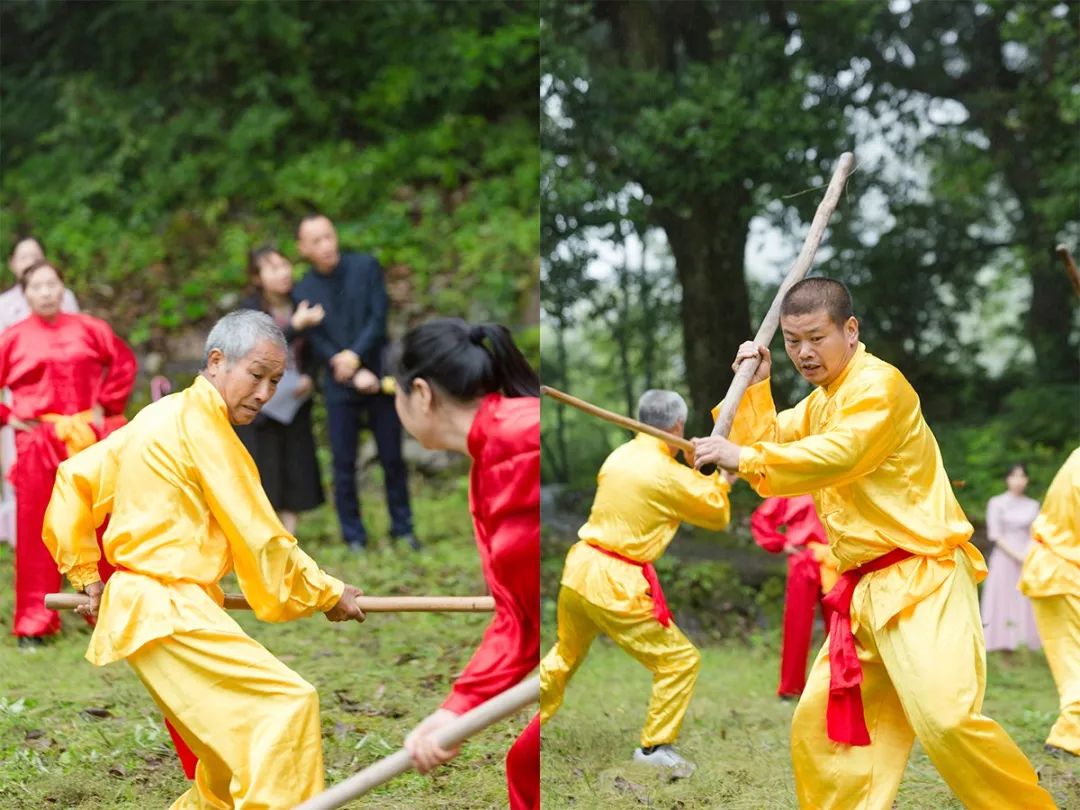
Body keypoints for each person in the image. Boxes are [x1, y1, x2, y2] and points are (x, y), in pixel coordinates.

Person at [690, 278, 1054, 809]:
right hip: (862, 592)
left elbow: (839, 454)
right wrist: (756, 386)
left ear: (850, 329)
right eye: (793, 341)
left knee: (947, 722)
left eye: (816, 337)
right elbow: (765, 445)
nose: (804, 353)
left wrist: (742, 457)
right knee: (825, 724)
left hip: (922, 578)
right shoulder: (820, 404)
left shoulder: (881, 386)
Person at [42, 310, 367, 808]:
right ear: (217, 361)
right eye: (256, 375)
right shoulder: (205, 428)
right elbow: (262, 539)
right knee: (285, 707)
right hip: (167, 610)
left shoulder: (160, 413)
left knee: (225, 758)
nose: (264, 393)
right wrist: (327, 592)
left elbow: (74, 480)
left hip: (165, 607)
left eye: (275, 381)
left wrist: (88, 577)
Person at [540, 389, 733, 777]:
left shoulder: (620, 456)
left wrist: (692, 465)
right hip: (616, 583)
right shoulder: (666, 473)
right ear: (677, 426)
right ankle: (654, 748)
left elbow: (670, 490)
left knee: (565, 654)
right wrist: (723, 474)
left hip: (580, 568)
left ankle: (518, 715)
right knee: (679, 660)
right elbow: (716, 514)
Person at [394, 319, 539, 810]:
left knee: (533, 765)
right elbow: (518, 617)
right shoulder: (490, 461)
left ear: (420, 392)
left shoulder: (522, 436)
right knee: (528, 763)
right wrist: (455, 710)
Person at [0, 260, 135, 647]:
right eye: (36, 286)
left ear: (62, 288)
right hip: (39, 441)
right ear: (24, 294)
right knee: (35, 530)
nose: (45, 292)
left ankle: (112, 609)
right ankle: (33, 623)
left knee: (102, 523)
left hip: (88, 437)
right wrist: (9, 414)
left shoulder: (90, 329)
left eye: (51, 284)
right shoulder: (12, 337)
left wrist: (107, 408)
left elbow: (123, 362)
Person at [294, 213, 417, 551]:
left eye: (329, 236)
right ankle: (354, 536)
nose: (326, 245)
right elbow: (313, 338)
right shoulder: (303, 289)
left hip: (378, 375)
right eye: (316, 241)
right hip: (338, 383)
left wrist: (355, 357)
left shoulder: (365, 267)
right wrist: (341, 361)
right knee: (343, 463)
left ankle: (403, 529)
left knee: (392, 456)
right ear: (303, 248)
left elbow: (378, 319)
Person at [234, 245, 327, 534]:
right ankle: (263, 528)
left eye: (284, 265)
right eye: (273, 268)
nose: (283, 273)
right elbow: (257, 348)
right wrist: (294, 326)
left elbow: (317, 345)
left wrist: (311, 376)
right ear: (257, 277)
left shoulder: (303, 301)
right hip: (259, 399)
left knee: (295, 459)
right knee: (264, 460)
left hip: (295, 395)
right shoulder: (249, 309)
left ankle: (289, 531)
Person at [0, 237, 80, 545]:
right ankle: (22, 538)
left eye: (35, 255)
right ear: (12, 264)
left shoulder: (68, 303)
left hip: (68, 404)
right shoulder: (6, 306)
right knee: (21, 472)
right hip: (24, 401)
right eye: (22, 257)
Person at [1019, 447, 1079, 758]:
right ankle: (1070, 736)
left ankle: (1070, 734)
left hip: (1059, 569)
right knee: (1072, 659)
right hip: (1062, 571)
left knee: (1072, 657)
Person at [750, 494, 839, 698]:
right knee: (797, 625)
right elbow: (762, 518)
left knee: (840, 625)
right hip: (803, 559)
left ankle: (842, 684)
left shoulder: (840, 480)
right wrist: (780, 543)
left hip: (835, 562)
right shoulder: (794, 484)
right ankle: (791, 688)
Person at [981, 462, 1042, 652]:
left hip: (1028, 557)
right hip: (1005, 557)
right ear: (1007, 479)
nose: (1018, 480)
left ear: (1027, 480)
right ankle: (999, 642)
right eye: (1014, 476)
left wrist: (1027, 554)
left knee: (1024, 598)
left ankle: (1025, 641)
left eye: (1022, 476)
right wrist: (1017, 555)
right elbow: (996, 535)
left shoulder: (1033, 505)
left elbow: (1037, 533)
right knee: (1003, 596)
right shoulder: (996, 503)